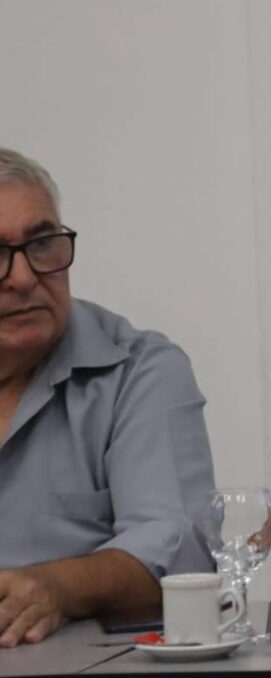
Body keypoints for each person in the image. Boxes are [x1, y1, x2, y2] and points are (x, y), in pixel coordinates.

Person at [0, 148, 216, 646]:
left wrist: (60, 587)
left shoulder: (138, 371)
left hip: (85, 677)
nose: (24, 277)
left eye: (42, 245)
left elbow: (178, 547)